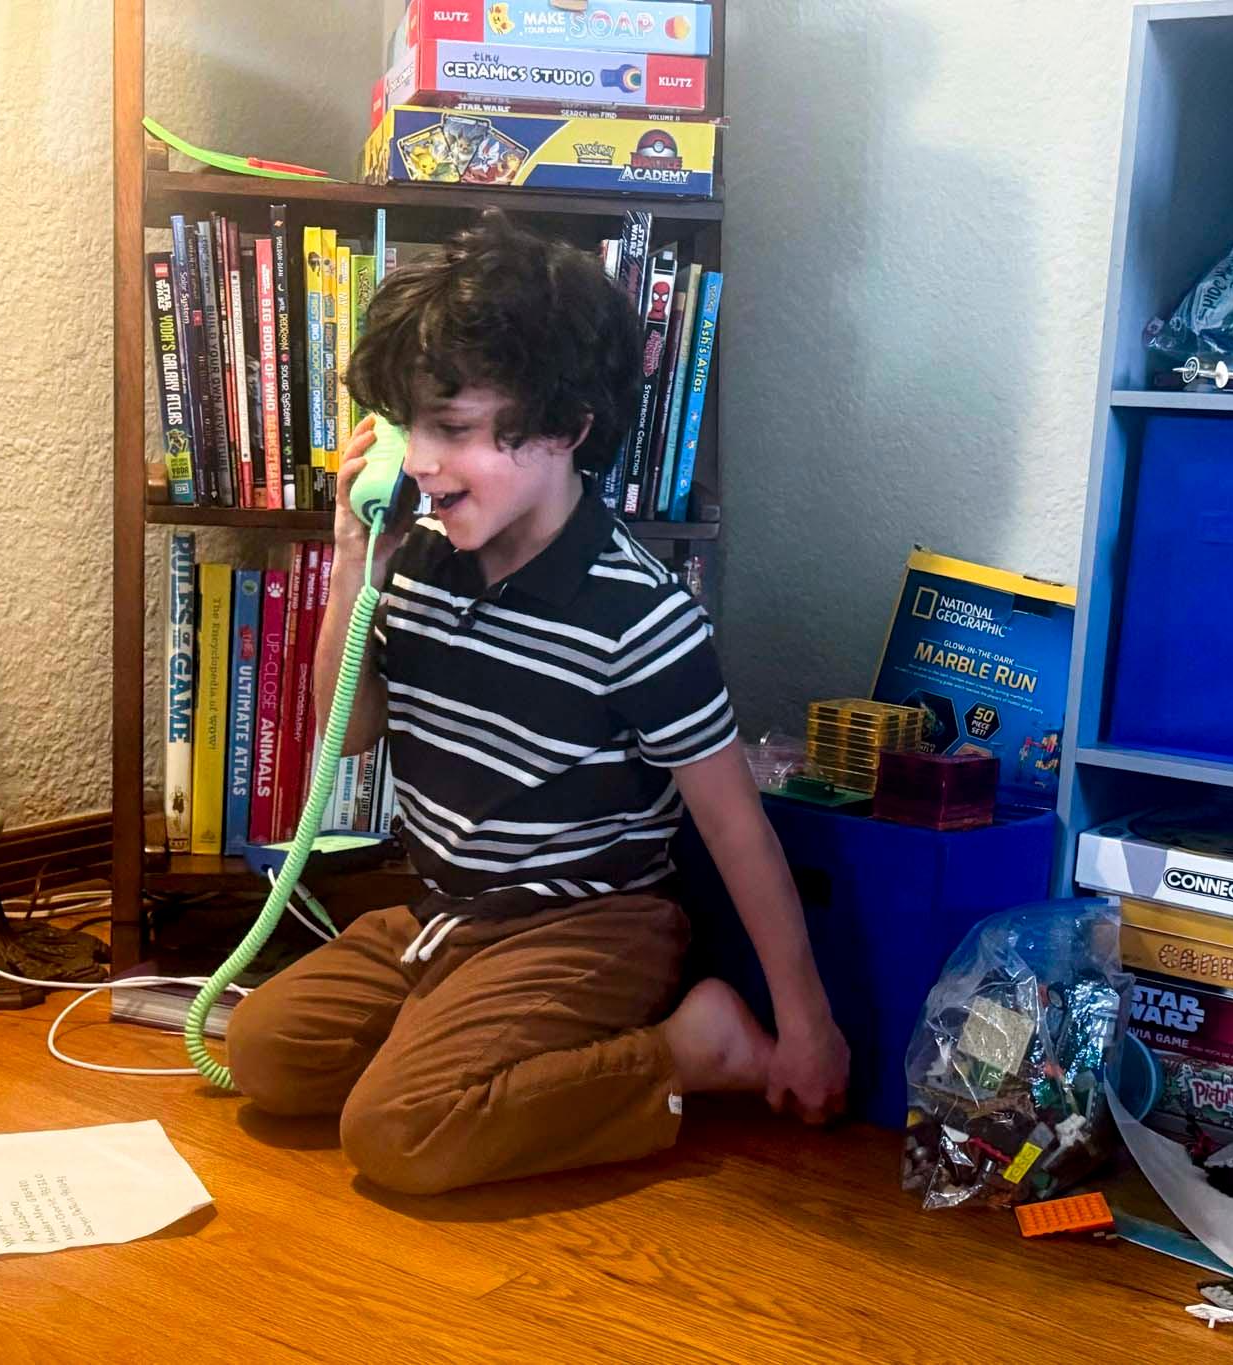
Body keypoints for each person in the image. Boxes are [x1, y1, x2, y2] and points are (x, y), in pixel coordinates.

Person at [225, 210, 849, 1195]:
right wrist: (355, 560)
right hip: (443, 914)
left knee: (396, 1131)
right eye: (408, 429)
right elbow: (346, 734)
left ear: (565, 427)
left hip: (589, 927)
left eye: (456, 430)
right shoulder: (419, 562)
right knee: (262, 1051)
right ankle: (460, 1034)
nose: (422, 462)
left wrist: (803, 1021)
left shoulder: (637, 614)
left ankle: (689, 1052)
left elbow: (737, 835)